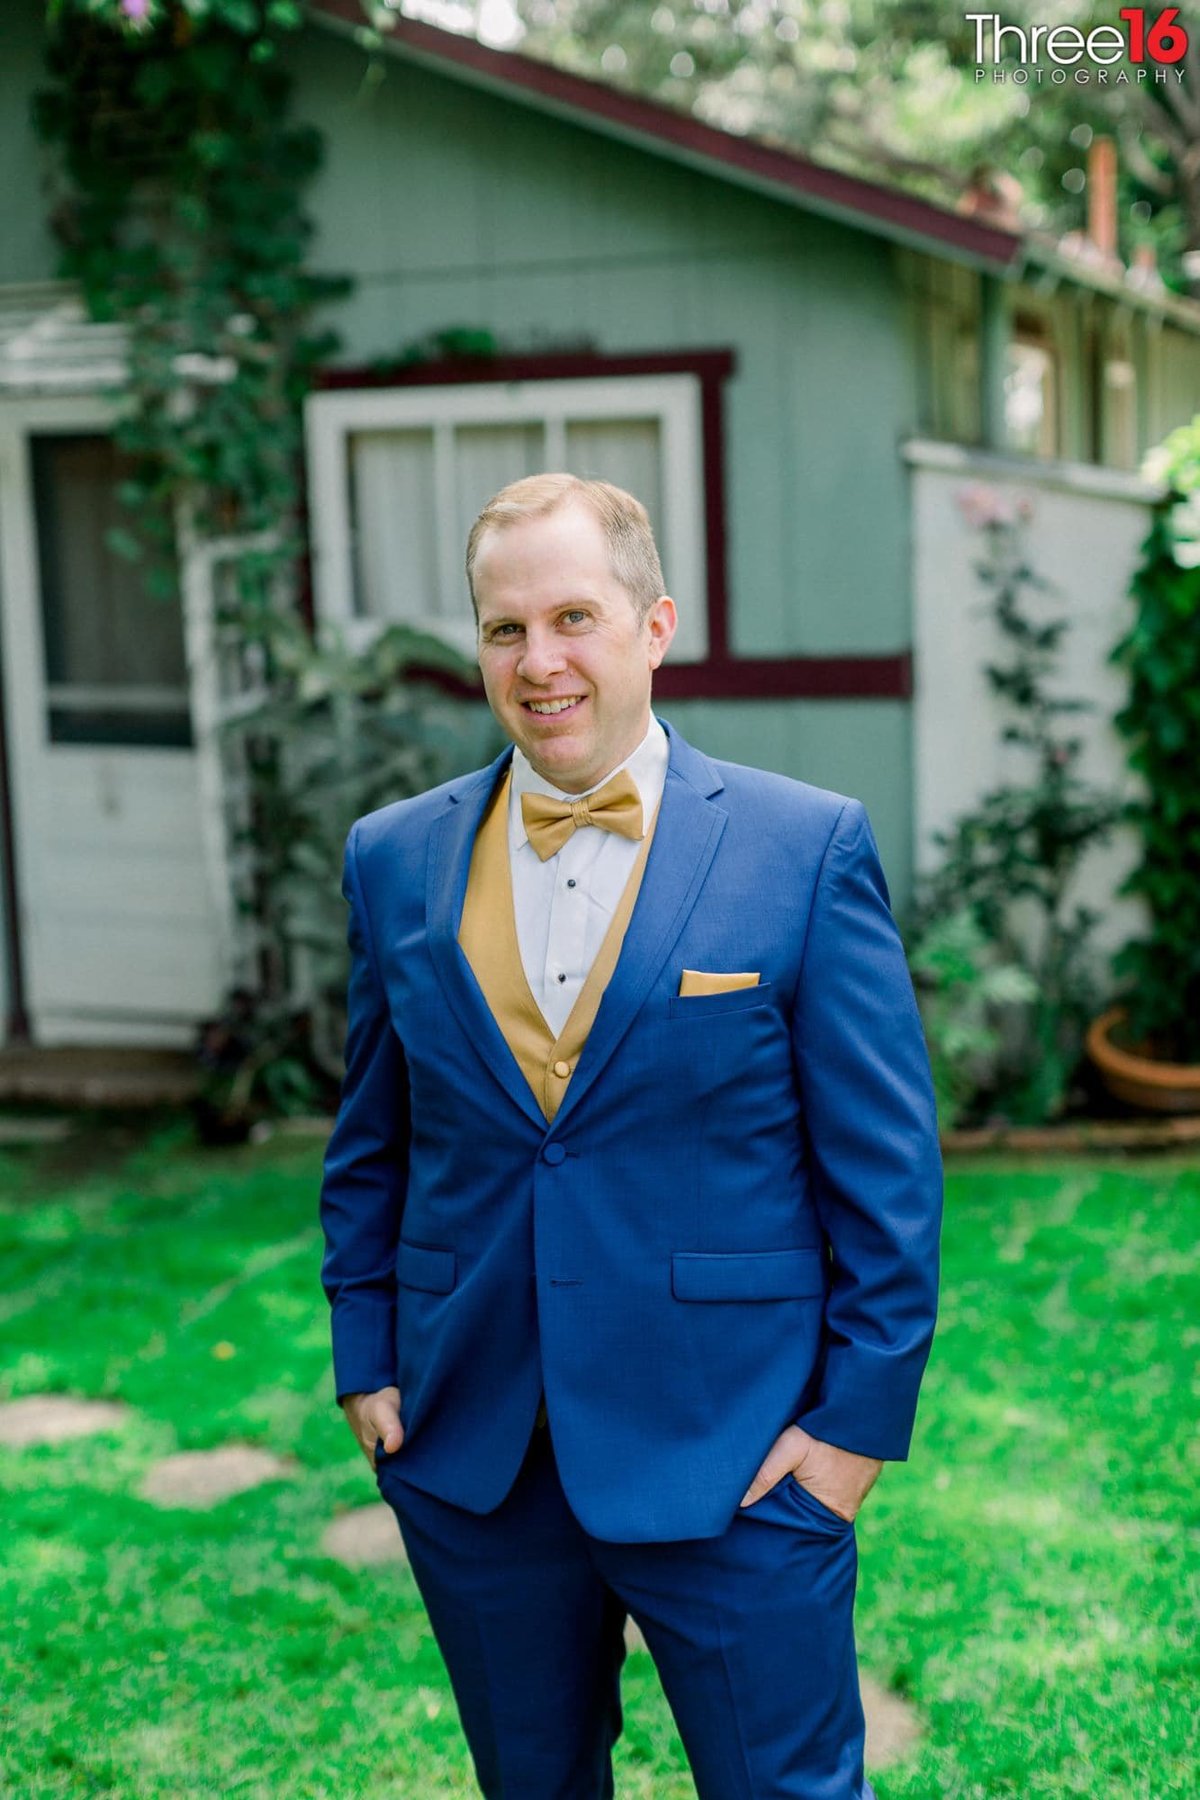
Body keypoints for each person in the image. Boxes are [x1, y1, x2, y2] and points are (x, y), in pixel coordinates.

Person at [319, 473, 942, 1800]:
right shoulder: (394, 859)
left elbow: (887, 1176)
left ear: (654, 625)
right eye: (503, 629)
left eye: (573, 618)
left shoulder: (802, 847)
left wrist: (849, 1440)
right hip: (476, 1449)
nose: (538, 662)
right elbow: (373, 1136)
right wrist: (365, 1356)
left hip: (738, 1449)